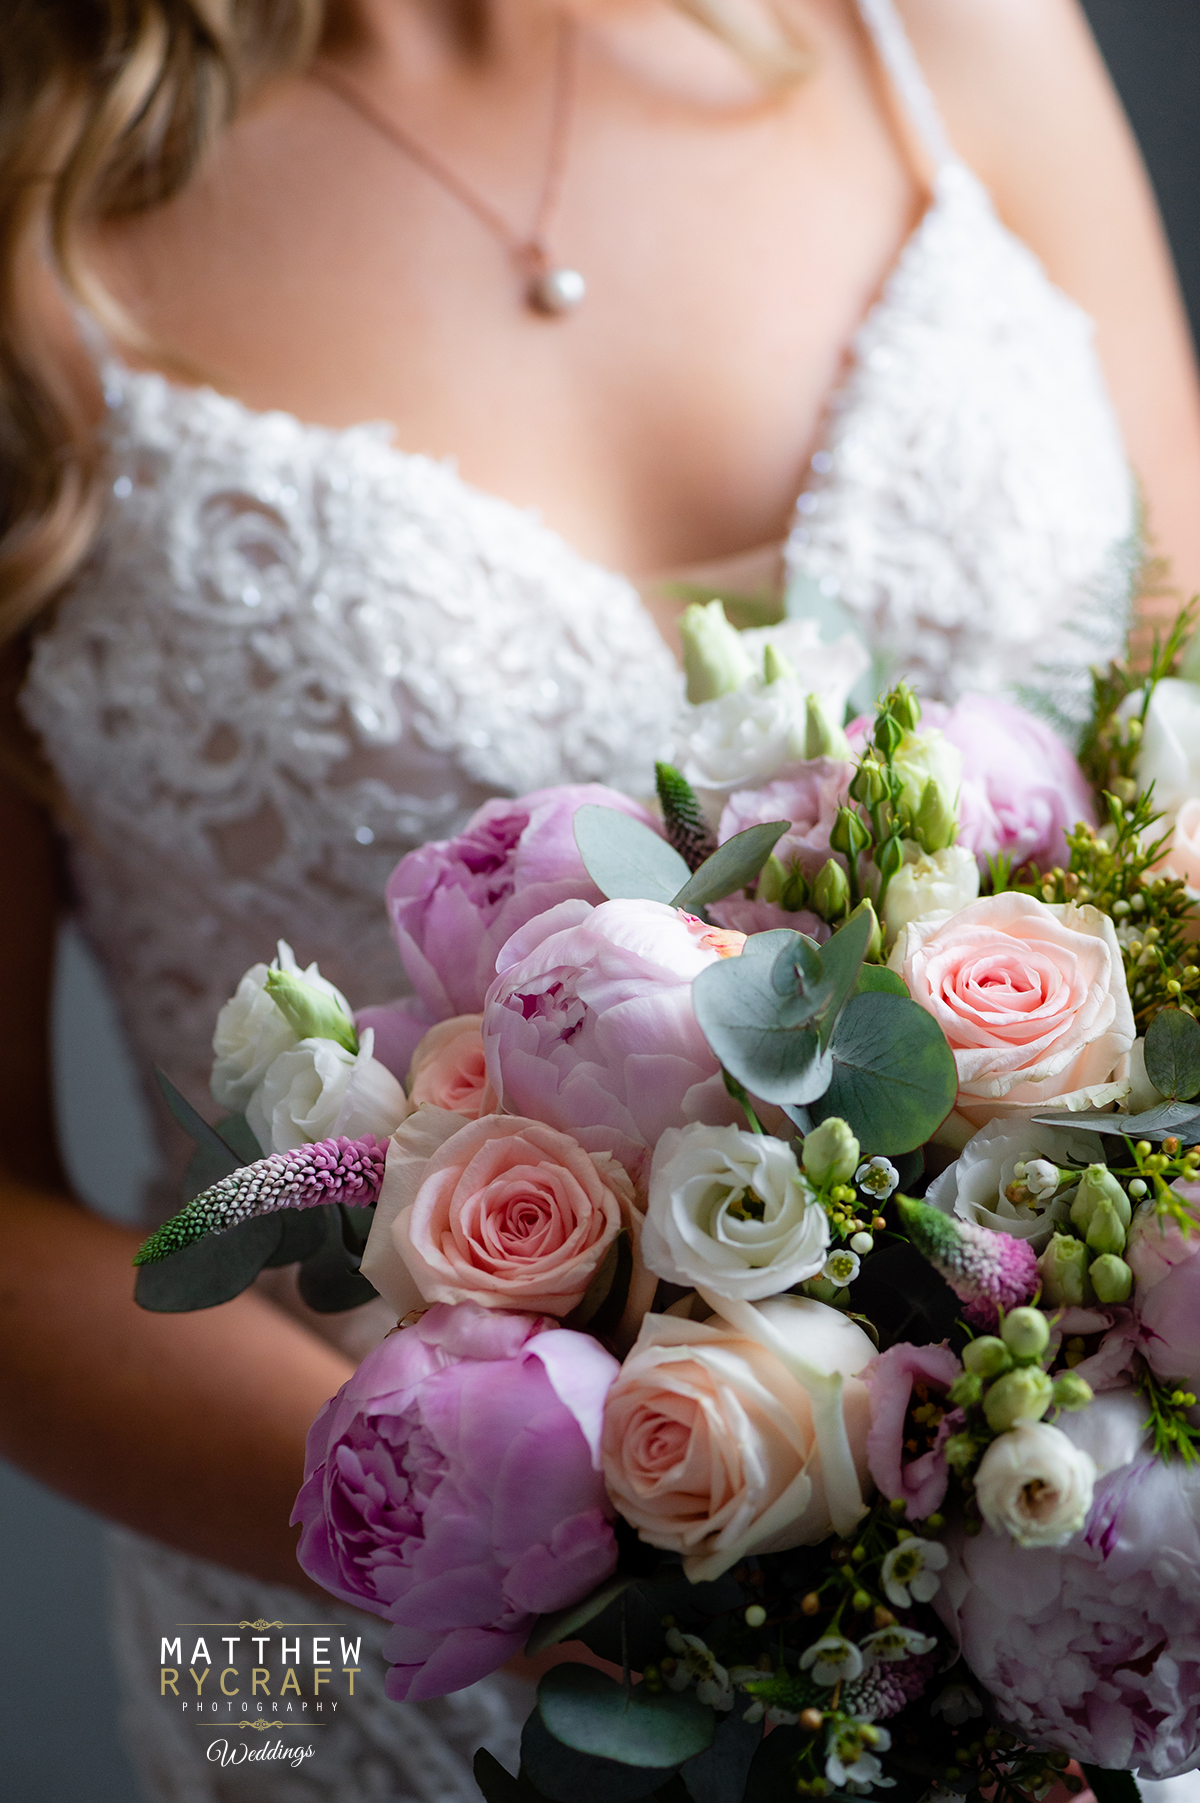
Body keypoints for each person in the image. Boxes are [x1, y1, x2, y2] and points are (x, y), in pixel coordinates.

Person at [2, 0, 1199, 1797]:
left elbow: (1179, 756)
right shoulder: (34, 224)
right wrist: (584, 1567)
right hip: (413, 1671)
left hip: (1084, 1567)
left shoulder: (952, 34)